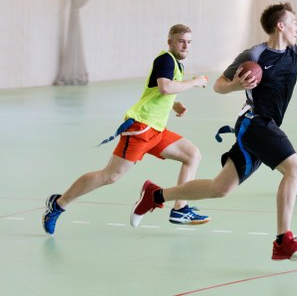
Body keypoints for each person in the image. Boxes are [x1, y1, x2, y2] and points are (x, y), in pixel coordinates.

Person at [129, 3, 297, 261]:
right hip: (255, 121)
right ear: (281, 26)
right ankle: (283, 240)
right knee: (294, 169)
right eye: (294, 22)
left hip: (264, 126)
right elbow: (219, 86)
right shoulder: (254, 55)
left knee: (220, 188)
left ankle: (155, 194)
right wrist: (236, 85)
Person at [42, 24, 210, 235]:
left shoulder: (176, 63)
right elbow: (165, 87)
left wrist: (175, 104)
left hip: (157, 130)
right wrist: (194, 82)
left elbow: (160, 91)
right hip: (141, 128)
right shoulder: (166, 59)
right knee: (110, 176)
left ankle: (180, 208)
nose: (185, 46)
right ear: (170, 42)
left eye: (189, 42)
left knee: (192, 155)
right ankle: (58, 204)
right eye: (181, 41)